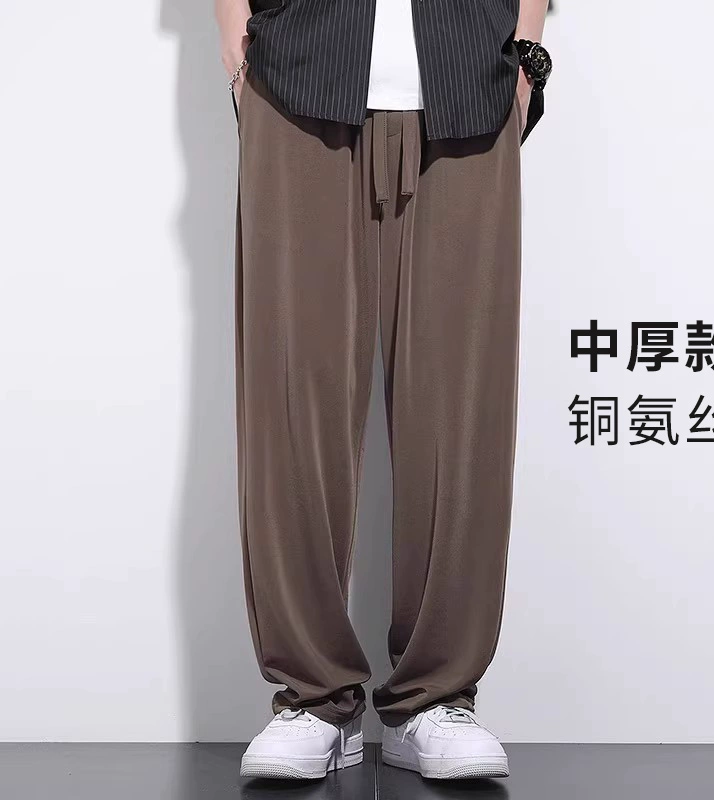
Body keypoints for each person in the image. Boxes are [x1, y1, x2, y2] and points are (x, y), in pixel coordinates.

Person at [214, 0, 551, 781]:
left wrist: (526, 60)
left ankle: (437, 696)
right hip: (295, 78)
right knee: (293, 393)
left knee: (461, 401)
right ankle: (312, 697)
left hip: (471, 79)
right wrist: (238, 59)